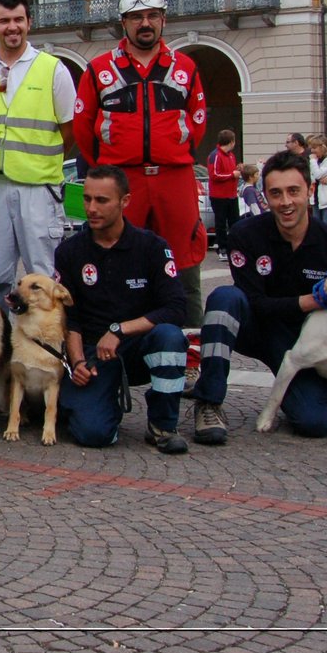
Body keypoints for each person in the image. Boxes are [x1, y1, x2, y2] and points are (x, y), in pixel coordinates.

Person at [192, 150, 327, 445]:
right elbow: (253, 302)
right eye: (276, 193)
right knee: (224, 298)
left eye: (293, 191)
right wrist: (312, 300)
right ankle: (208, 401)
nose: (285, 202)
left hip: (305, 341)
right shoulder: (244, 234)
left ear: (310, 191)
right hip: (256, 328)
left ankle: (301, 396)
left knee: (314, 422)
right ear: (265, 196)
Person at [72, 0, 208, 325]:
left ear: (163, 20)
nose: (144, 23)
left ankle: (189, 353)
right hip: (123, 180)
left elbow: (198, 121)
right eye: (136, 17)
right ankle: (122, 350)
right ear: (124, 23)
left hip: (174, 179)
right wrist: (109, 167)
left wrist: (174, 152)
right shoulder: (99, 69)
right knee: (120, 262)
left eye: (151, 16)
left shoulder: (186, 68)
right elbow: (83, 127)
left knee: (184, 265)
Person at [54, 165, 190, 454]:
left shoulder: (152, 247)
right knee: (92, 434)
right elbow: (70, 317)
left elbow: (177, 308)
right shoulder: (69, 251)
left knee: (169, 335)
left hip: (138, 347)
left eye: (101, 201)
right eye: (87, 198)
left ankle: (163, 425)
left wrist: (119, 330)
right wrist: (77, 363)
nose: (91, 208)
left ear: (125, 201)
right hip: (93, 353)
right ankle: (102, 402)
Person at [0, 0, 76, 307]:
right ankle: (1, 347)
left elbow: (70, 129)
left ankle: (46, 348)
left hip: (39, 188)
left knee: (43, 277)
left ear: (29, 22)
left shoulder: (53, 69)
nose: (12, 27)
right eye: (4, 20)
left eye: (19, 20)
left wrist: (38, 161)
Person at [207, 130, 241, 261]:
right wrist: (232, 175)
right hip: (219, 196)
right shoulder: (215, 155)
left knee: (235, 222)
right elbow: (214, 175)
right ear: (231, 142)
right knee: (220, 223)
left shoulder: (231, 156)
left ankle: (234, 247)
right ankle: (222, 248)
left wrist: (236, 171)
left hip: (231, 194)